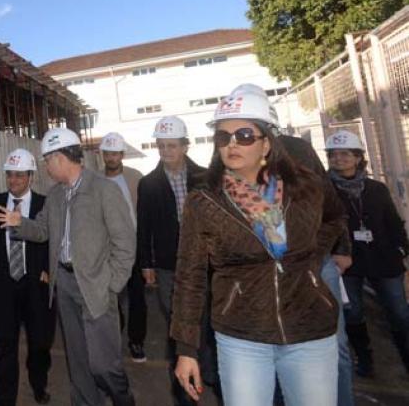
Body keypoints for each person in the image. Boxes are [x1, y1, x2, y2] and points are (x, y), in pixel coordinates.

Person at [172, 91, 345, 406]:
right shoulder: (203, 201)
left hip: (309, 328)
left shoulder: (306, 186)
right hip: (241, 335)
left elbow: (334, 219)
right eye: (223, 137)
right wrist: (186, 349)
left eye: (244, 135)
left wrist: (310, 261)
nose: (232, 144)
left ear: (267, 142)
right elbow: (189, 275)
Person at [230, 84, 354, 406]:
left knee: (334, 348)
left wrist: (338, 249)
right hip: (264, 272)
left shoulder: (298, 151)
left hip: (313, 264)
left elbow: (330, 205)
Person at [0, 127, 136, 406]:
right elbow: (43, 231)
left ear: (60, 157)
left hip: (96, 285)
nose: (45, 166)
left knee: (103, 364)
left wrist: (112, 285)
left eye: (47, 159)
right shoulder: (56, 195)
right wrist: (19, 223)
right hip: (66, 284)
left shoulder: (103, 190)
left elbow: (125, 243)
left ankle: (123, 399)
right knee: (78, 360)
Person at [136, 115, 211, 405]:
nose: (166, 151)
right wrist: (146, 264)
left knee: (204, 319)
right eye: (161, 146)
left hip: (204, 263)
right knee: (177, 322)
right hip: (168, 266)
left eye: (172, 145)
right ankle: (183, 383)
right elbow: (144, 227)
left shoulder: (205, 178)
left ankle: (205, 369)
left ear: (185, 146)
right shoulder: (149, 184)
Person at [326, 129, 409, 378]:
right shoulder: (325, 191)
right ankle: (365, 360)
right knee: (353, 313)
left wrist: (402, 249)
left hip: (384, 260)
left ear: (359, 157)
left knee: (399, 312)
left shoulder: (376, 189)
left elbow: (393, 222)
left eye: (345, 154)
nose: (339, 159)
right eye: (333, 155)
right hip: (348, 263)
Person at [0, 148, 55, 406]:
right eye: (9, 175)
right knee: (4, 343)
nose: (14, 181)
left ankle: (39, 384)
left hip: (36, 284)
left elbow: (51, 240)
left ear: (31, 176)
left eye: (20, 175)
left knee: (39, 342)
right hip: (4, 285)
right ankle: (4, 397)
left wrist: (48, 269)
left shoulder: (46, 204)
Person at [99, 132, 147, 363]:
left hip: (134, 247)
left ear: (122, 155)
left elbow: (147, 215)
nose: (111, 157)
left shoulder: (137, 178)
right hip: (106, 250)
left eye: (115, 153)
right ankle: (112, 338)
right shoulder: (94, 181)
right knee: (110, 296)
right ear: (103, 155)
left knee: (137, 297)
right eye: (107, 153)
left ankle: (136, 341)